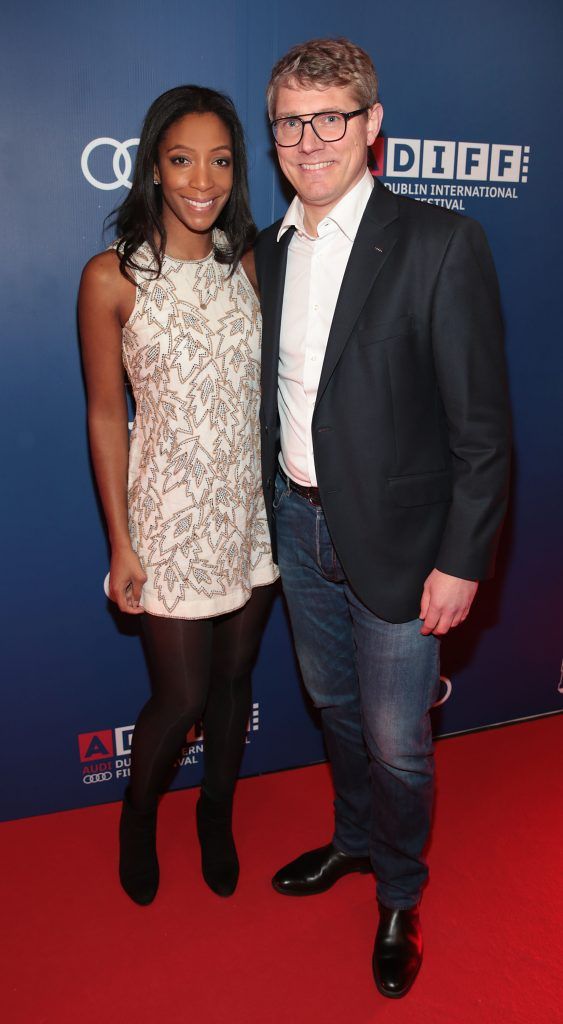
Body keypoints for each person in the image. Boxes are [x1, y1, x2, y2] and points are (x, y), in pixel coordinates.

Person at [255, 39, 511, 997]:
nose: (309, 139)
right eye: (290, 120)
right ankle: (354, 843)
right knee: (332, 708)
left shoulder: (440, 242)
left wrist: (463, 558)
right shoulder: (269, 251)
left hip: (405, 547)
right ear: (273, 132)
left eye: (331, 118)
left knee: (399, 737)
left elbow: (482, 431)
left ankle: (399, 893)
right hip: (299, 525)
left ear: (371, 127)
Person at [79, 85, 278, 905]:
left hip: (248, 514)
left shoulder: (251, 266)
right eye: (182, 158)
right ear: (154, 168)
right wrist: (121, 542)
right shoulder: (110, 278)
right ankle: (136, 812)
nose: (203, 179)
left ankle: (217, 814)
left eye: (221, 160)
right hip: (165, 518)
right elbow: (103, 414)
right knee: (183, 694)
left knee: (234, 685)